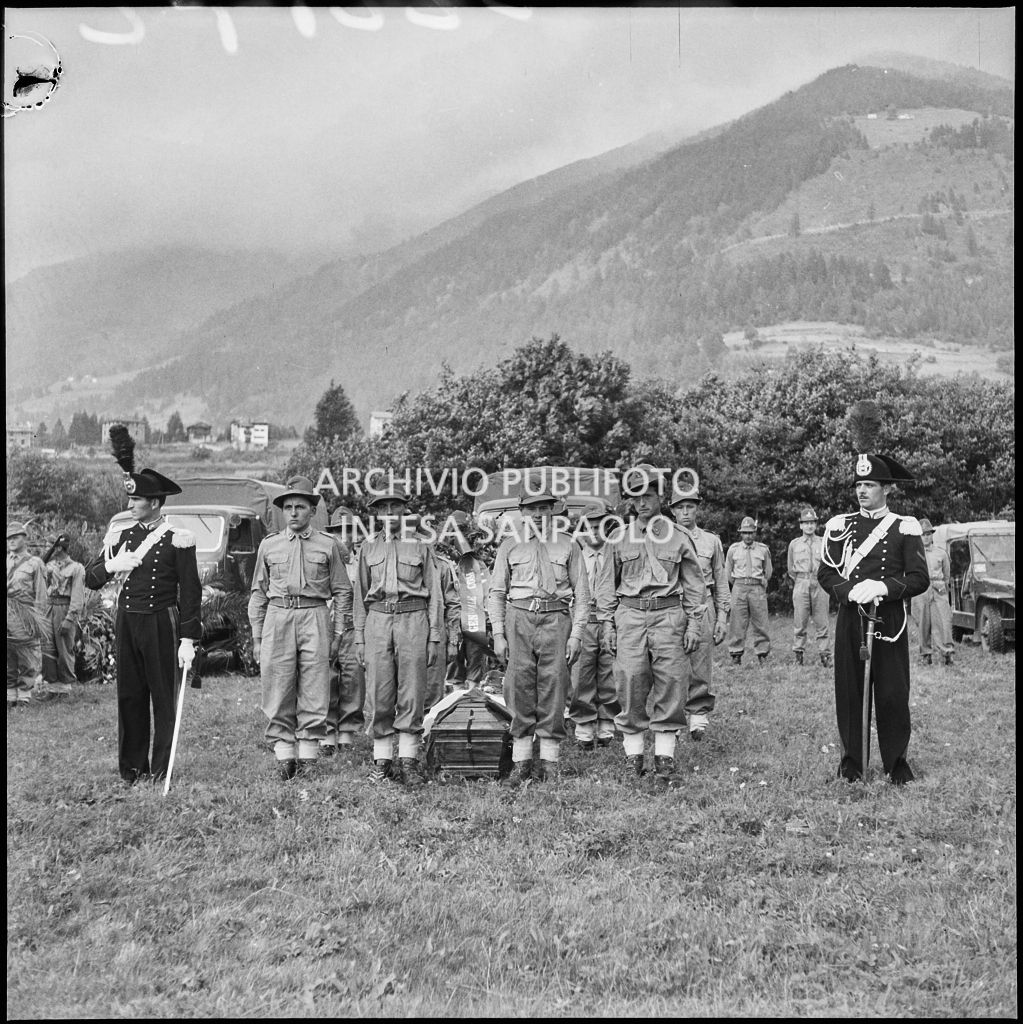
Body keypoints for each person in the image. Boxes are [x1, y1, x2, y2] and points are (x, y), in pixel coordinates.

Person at [83, 426, 202, 785]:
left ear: (154, 502)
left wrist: (187, 639)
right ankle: (132, 769)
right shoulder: (120, 535)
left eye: (136, 501)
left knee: (163, 698)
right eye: (130, 499)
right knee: (130, 695)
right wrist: (112, 565)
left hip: (160, 621)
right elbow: (91, 577)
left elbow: (191, 592)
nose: (130, 505)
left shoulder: (177, 538)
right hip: (127, 620)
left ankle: (160, 769)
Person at [818, 422, 929, 786]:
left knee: (893, 691)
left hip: (890, 618)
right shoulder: (840, 526)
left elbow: (918, 579)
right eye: (859, 485)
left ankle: (896, 763)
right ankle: (852, 762)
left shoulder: (904, 527)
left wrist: (882, 585)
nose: (862, 491)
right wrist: (848, 591)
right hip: (852, 617)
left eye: (869, 485)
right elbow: (826, 574)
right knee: (850, 690)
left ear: (885, 489)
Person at [594, 464, 706, 787]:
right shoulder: (618, 538)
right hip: (629, 617)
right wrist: (607, 625)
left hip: (669, 616)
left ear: (660, 496)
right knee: (629, 682)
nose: (642, 503)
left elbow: (696, 584)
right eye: (635, 497)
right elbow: (605, 586)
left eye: (648, 495)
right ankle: (634, 758)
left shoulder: (679, 537)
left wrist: (695, 624)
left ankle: (665, 760)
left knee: (671, 682)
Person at [248, 476, 353, 780]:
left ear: (311, 510)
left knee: (314, 683)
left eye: (300, 507)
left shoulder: (328, 545)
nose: (293, 512)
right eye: (288, 507)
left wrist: (337, 632)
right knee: (277, 684)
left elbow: (343, 591)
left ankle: (307, 757)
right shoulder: (269, 545)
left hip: (315, 616)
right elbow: (258, 591)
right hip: (278, 617)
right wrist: (256, 637)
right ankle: (284, 757)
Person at [489, 490, 588, 786]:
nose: (538, 515)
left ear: (553, 511)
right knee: (518, 687)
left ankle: (549, 761)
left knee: (554, 686)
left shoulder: (569, 544)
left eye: (544, 508)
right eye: (532, 509)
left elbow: (582, 594)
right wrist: (497, 633)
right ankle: (521, 762)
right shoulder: (509, 546)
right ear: (522, 512)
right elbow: (496, 593)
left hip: (556, 618)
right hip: (518, 618)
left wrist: (577, 634)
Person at [352, 487, 444, 787]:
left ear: (405, 510)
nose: (389, 512)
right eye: (383, 507)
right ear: (376, 513)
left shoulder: (421, 547)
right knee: (379, 693)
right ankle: (382, 762)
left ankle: (408, 762)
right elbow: (359, 599)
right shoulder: (368, 549)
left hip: (413, 619)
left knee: (412, 691)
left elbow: (436, 596)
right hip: (378, 621)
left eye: (395, 506)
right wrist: (361, 640)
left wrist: (433, 637)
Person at [668, 487, 727, 742]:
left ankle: (698, 717)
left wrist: (723, 616)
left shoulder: (711, 541)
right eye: (680, 507)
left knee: (701, 660)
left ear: (697, 508)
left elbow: (721, 579)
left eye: (690, 506)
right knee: (671, 662)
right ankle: (673, 717)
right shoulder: (663, 538)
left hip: (704, 603)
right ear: (672, 510)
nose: (685, 511)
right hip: (673, 604)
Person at [567, 500, 620, 751]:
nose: (595, 532)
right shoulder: (574, 553)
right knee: (582, 672)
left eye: (600, 526)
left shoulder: (615, 551)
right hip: (584, 619)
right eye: (590, 527)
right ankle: (584, 722)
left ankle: (607, 720)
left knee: (609, 670)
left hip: (610, 618)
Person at [321, 506, 366, 754]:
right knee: (327, 679)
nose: (343, 537)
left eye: (347, 531)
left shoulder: (363, 559)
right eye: (338, 531)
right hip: (328, 626)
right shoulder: (325, 557)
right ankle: (327, 733)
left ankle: (347, 733)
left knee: (353, 680)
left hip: (354, 628)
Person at [440, 510, 494, 689]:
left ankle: (472, 696)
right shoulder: (441, 561)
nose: (457, 536)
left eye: (461, 530)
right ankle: (454, 697)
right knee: (453, 664)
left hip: (474, 619)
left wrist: (487, 620)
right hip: (450, 619)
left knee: (474, 661)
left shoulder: (477, 562)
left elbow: (487, 591)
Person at [415, 515, 461, 712]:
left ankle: (428, 730)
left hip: (437, 630)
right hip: (407, 626)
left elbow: (452, 605)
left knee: (434, 684)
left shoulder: (442, 566)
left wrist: (452, 641)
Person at [7, 522, 49, 709]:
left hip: (25, 615)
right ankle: (10, 695)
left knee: (27, 656)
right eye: (9, 538)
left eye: (16, 536)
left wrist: (38, 620)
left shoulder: (35, 563)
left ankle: (23, 696)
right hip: (8, 614)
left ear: (25, 538)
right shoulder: (6, 561)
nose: (12, 540)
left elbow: (41, 595)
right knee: (8, 656)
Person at [41, 535, 87, 699]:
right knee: (47, 647)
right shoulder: (49, 566)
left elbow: (77, 596)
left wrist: (70, 618)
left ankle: (65, 688)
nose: (47, 548)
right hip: (48, 607)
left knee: (64, 647)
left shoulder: (76, 568)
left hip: (64, 608)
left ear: (58, 548)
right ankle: (53, 688)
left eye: (49, 545)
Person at [787, 507, 832, 667]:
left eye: (812, 522)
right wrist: (802, 581)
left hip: (819, 584)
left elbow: (829, 565)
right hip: (801, 582)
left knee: (822, 622)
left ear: (815, 524)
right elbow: (791, 568)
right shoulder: (794, 544)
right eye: (806, 523)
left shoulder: (823, 542)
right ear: (801, 526)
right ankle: (798, 655)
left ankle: (825, 655)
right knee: (800, 621)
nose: (809, 526)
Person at [725, 516, 773, 665]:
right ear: (741, 533)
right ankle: (736, 654)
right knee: (737, 622)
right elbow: (728, 572)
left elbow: (768, 571)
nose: (748, 536)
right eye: (745, 532)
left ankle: (762, 654)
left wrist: (759, 582)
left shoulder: (763, 550)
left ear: (755, 533)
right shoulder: (733, 550)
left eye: (751, 532)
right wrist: (739, 584)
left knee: (761, 622)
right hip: (739, 587)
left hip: (757, 587)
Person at [911, 518, 954, 666]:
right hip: (920, 590)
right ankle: (925, 655)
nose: (926, 537)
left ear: (932, 535)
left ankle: (947, 653)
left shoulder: (941, 553)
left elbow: (947, 575)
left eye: (928, 534)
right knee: (922, 622)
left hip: (938, 588)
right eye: (923, 534)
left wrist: (941, 586)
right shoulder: (913, 554)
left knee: (943, 620)